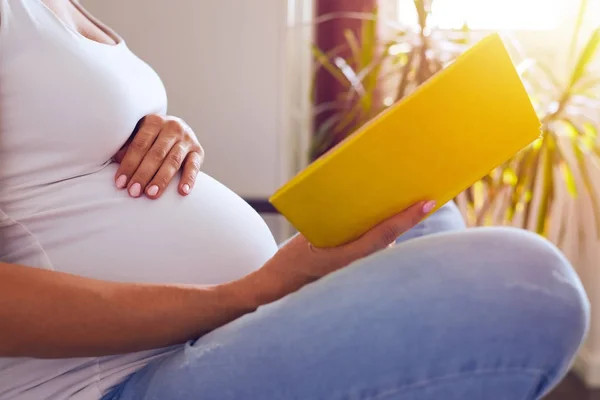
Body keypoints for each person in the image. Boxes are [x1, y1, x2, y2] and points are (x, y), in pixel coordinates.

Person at [0, 0, 590, 399]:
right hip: (113, 378)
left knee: (421, 213)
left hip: (212, 324)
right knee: (532, 284)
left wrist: (168, 130)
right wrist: (255, 292)